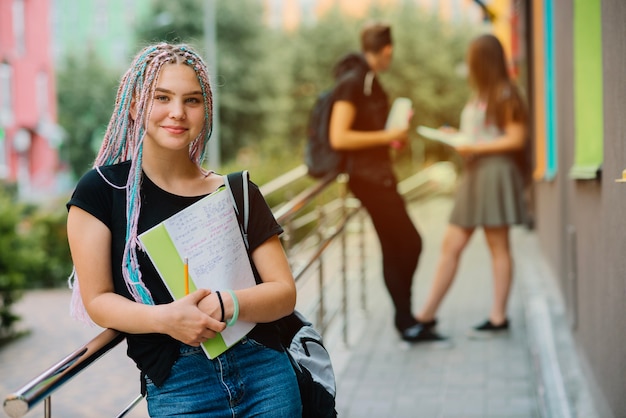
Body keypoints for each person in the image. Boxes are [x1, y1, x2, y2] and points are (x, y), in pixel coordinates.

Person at [66, 42, 301, 417]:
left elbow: (284, 294)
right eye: (161, 97)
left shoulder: (238, 193)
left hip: (266, 374)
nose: (177, 113)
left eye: (192, 100)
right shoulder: (102, 191)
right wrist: (166, 319)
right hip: (180, 386)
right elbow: (98, 300)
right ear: (133, 104)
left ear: (205, 111)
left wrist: (229, 303)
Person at [328, 22, 443, 343]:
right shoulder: (353, 82)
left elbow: (365, 132)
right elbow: (339, 136)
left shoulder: (368, 80)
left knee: (397, 246)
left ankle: (406, 320)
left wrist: (390, 139)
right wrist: (388, 135)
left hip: (378, 175)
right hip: (368, 180)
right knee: (408, 243)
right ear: (388, 50)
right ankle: (405, 320)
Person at [416, 33, 529, 337]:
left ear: (482, 62)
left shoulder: (506, 93)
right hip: (475, 173)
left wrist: (474, 146)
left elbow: (516, 138)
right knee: (451, 245)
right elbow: (484, 133)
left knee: (498, 246)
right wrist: (456, 135)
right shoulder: (481, 94)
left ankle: (498, 317)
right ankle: (426, 316)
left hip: (494, 174)